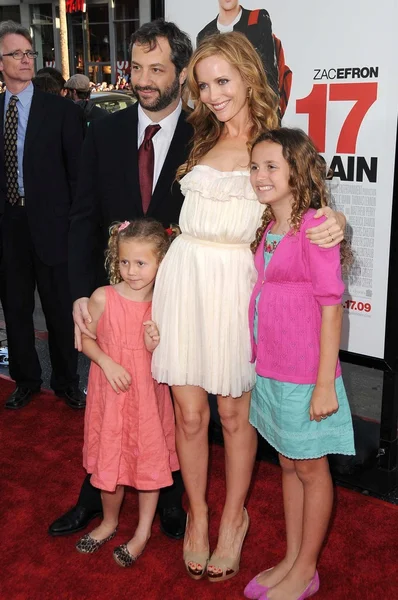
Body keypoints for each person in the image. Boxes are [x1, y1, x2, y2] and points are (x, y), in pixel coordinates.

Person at [151, 31, 346, 582]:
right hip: (183, 282)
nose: (213, 94)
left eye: (222, 81)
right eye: (204, 85)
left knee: (235, 416)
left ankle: (234, 518)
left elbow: (310, 205)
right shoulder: (195, 136)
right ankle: (199, 517)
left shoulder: (274, 141)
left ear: (246, 75)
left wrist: (339, 222)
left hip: (237, 287)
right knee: (188, 415)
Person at [48, 19, 193, 541]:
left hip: (175, 306)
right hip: (112, 304)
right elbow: (83, 216)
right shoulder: (105, 129)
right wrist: (82, 295)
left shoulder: (205, 139)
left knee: (170, 404)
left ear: (181, 71)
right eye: (137, 67)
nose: (145, 79)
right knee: (108, 406)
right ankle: (95, 494)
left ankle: (172, 496)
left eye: (158, 68)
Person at [243, 128, 355, 600]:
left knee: (310, 468)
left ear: (297, 170)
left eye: (271, 166)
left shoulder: (316, 226)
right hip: (270, 367)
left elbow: (332, 307)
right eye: (254, 166)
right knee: (288, 465)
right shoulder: (269, 227)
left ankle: (307, 569)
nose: (260, 176)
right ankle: (291, 558)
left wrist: (325, 384)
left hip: (307, 374)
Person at [75, 219, 179, 566]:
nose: (131, 271)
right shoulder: (103, 297)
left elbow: (170, 356)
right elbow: (85, 340)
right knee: (110, 459)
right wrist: (107, 362)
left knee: (148, 459)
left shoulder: (163, 306)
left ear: (160, 262)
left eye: (141, 263)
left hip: (147, 399)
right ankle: (108, 522)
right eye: (124, 262)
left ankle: (143, 530)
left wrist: (154, 344)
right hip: (110, 394)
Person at [0, 20, 86, 410]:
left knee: (58, 309)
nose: (25, 60)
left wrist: (73, 228)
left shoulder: (61, 111)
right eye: (15, 54)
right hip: (8, 227)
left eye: (29, 53)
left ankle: (67, 381)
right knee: (15, 308)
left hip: (52, 226)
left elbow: (77, 176)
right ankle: (26, 379)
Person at [197, 1, 280, 102]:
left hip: (257, 106)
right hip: (219, 110)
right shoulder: (204, 34)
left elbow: (270, 73)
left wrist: (272, 111)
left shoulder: (258, 19)